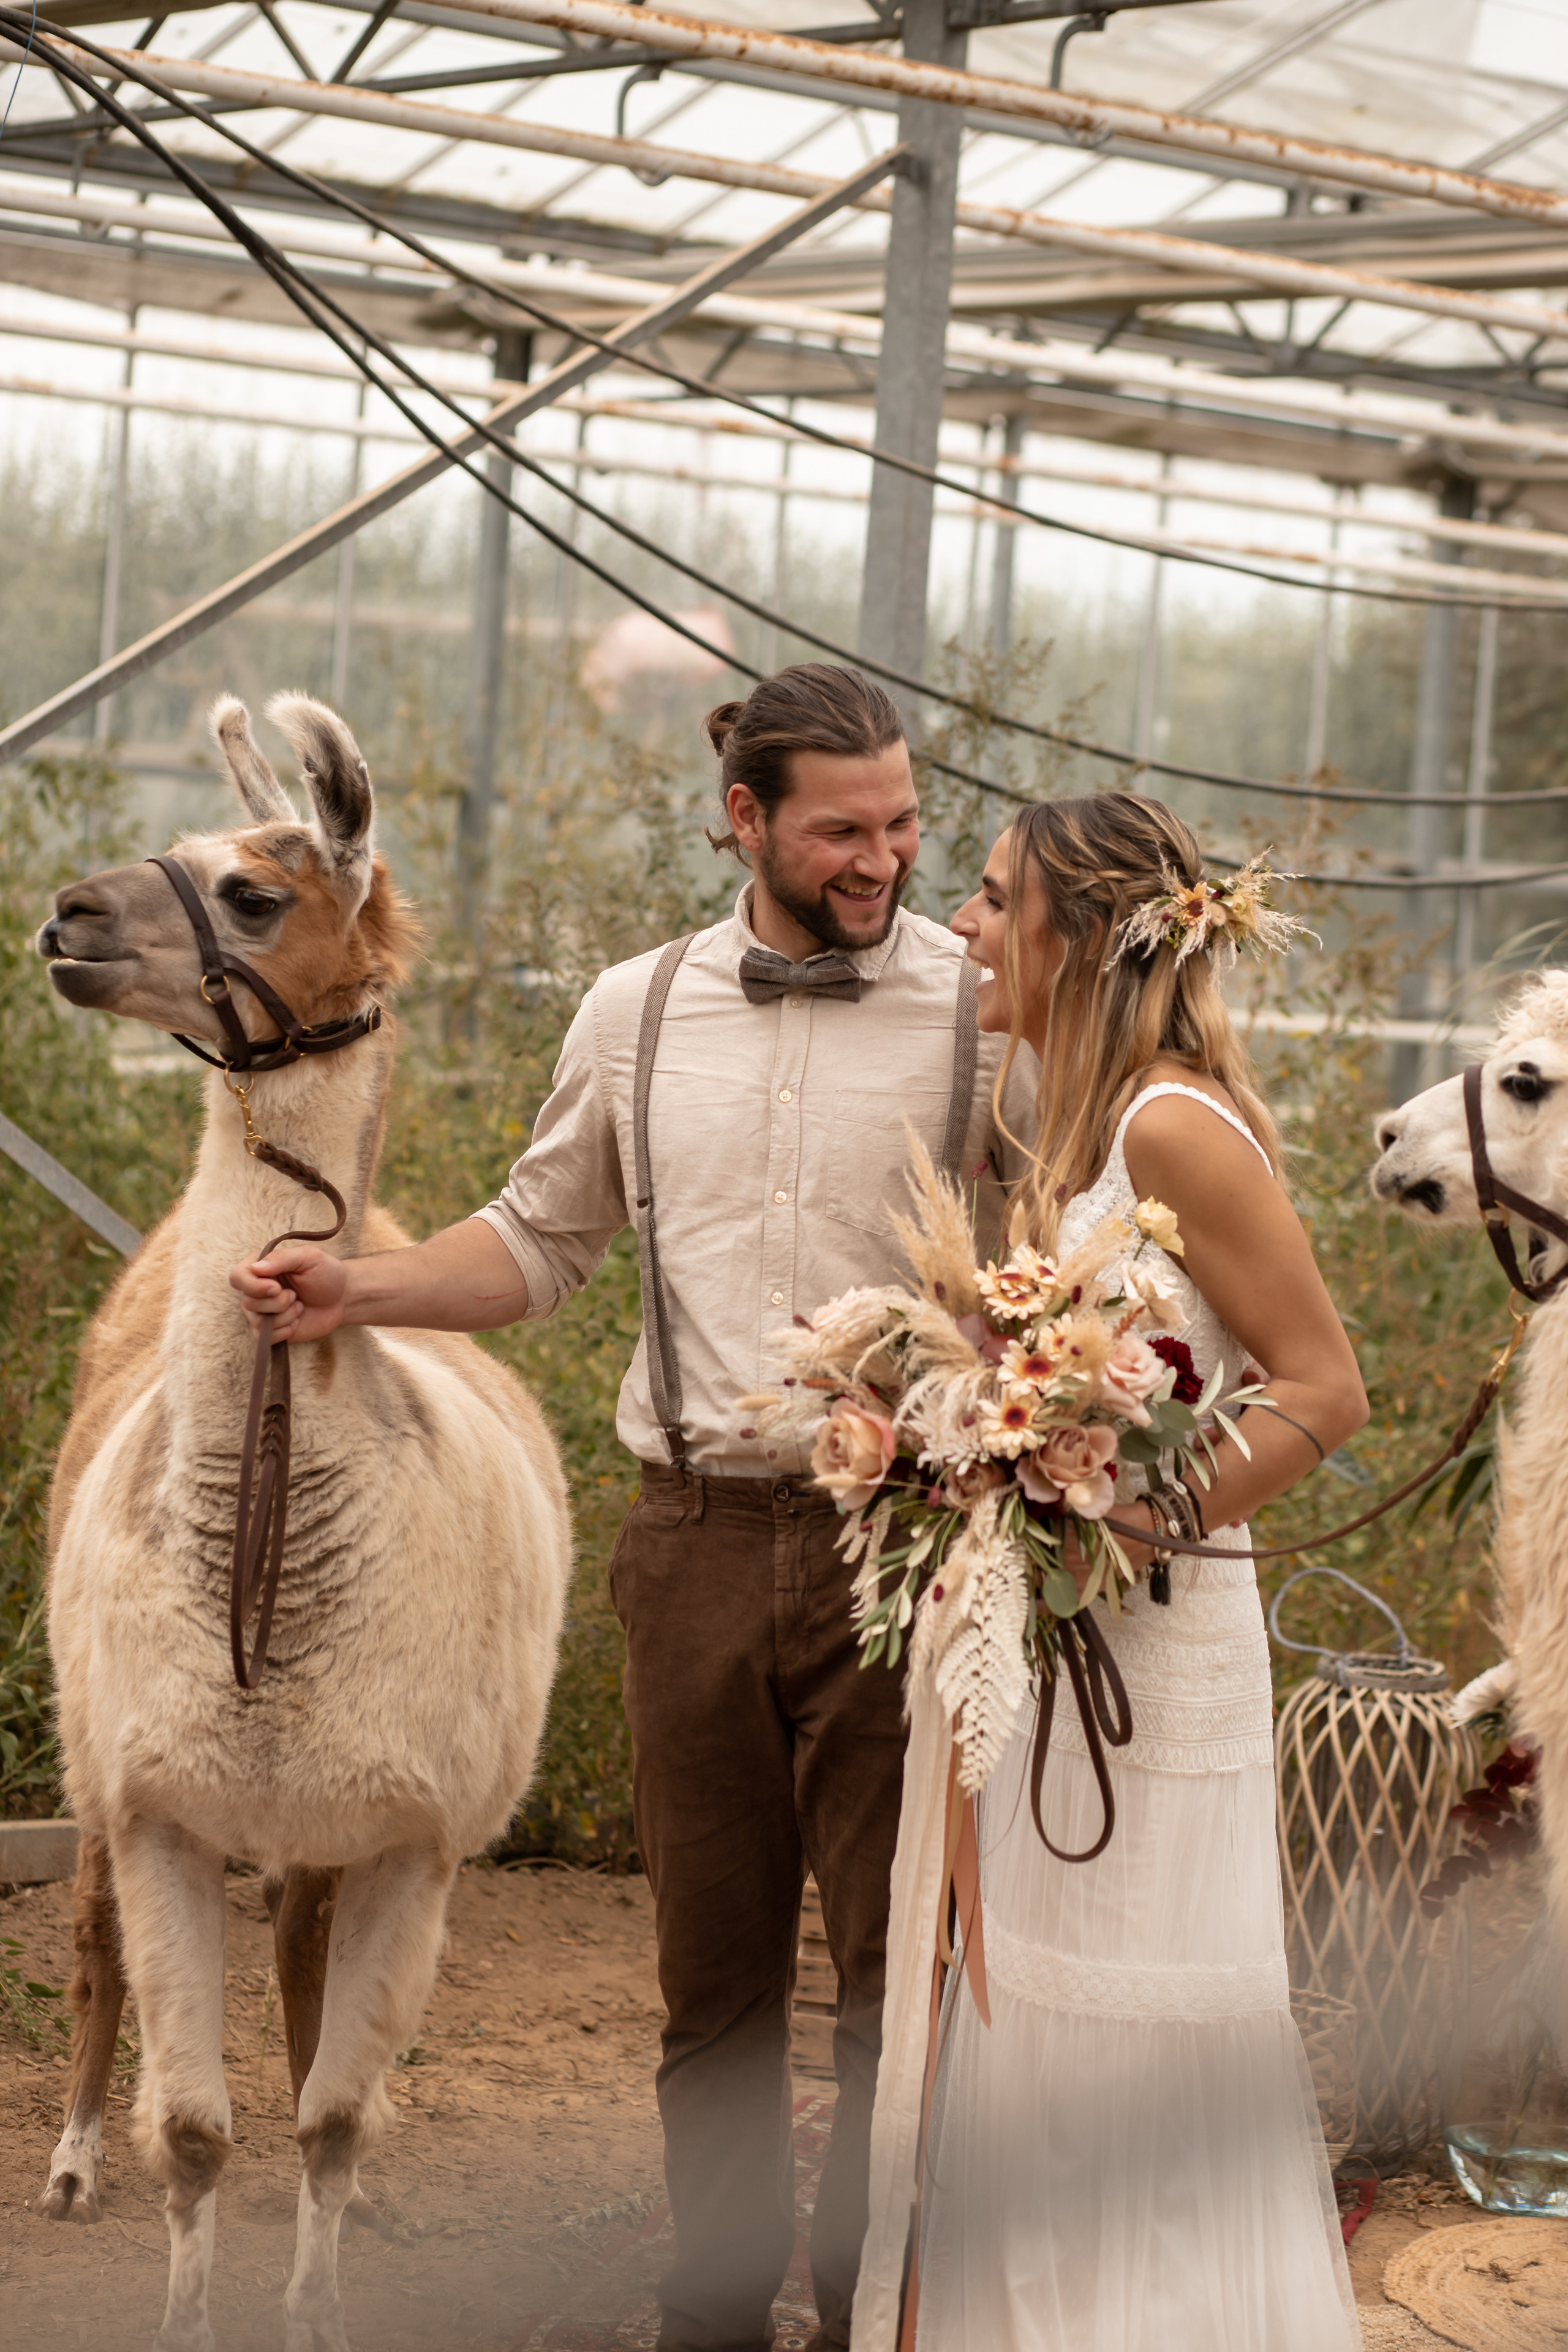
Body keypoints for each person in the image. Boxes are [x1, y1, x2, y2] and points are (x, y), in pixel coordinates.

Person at [230, 663, 1034, 2352]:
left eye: (901, 824)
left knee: (900, 1985)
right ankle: (717, 2317)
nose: (882, 858)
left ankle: (880, 2304)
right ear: (741, 818)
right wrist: (350, 1288)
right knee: (713, 1987)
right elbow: (539, 1241)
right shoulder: (639, 1009)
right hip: (688, 1547)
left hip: (912, 1556)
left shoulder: (984, 1008)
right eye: (841, 830)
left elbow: (1072, 1256)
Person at [872, 794, 1367, 2352]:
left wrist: (1128, 1525)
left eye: (988, 893)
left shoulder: (1169, 1124)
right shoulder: (1082, 1132)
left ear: (1072, 938)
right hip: (1067, 1651)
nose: (957, 924)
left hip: (1152, 1664)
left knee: (1125, 2048)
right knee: (1043, 2028)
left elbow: (1321, 1387)